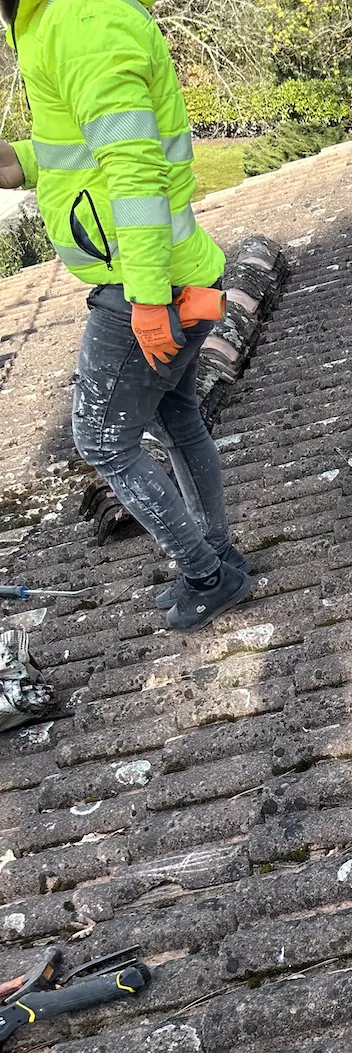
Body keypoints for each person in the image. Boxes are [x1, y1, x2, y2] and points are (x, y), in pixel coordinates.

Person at [0, 0, 249, 630]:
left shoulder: (82, 22)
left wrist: (144, 298)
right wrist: (23, 163)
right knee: (176, 416)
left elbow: (136, 170)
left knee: (103, 442)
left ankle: (206, 575)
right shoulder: (50, 22)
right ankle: (219, 560)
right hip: (181, 274)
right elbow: (90, 145)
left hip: (148, 283)